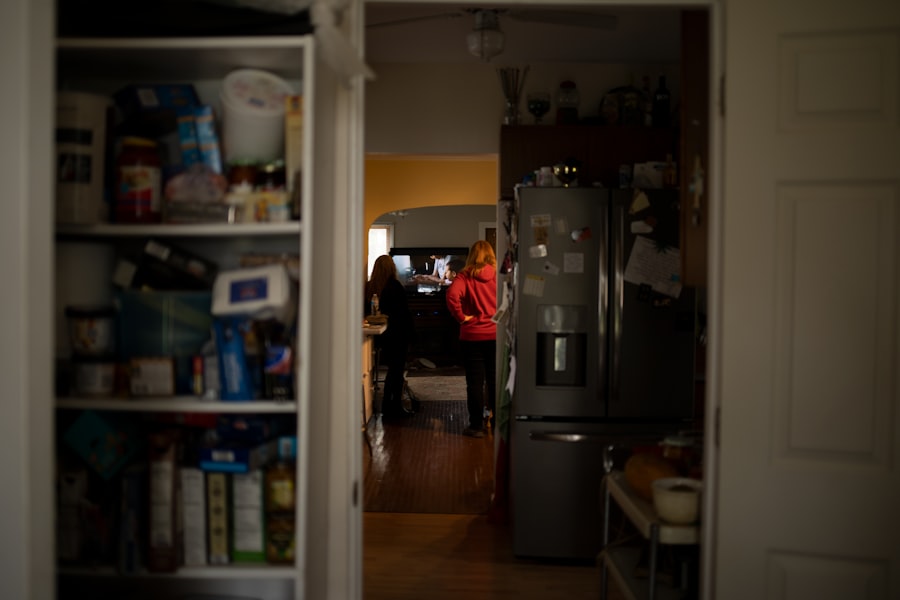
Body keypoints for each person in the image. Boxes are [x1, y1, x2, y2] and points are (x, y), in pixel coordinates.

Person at [445, 240, 497, 438]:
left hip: (472, 336)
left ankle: (476, 426)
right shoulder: (498, 275)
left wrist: (461, 317)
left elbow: (451, 296)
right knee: (493, 380)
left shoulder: (466, 276)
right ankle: (496, 421)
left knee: (475, 382)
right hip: (494, 334)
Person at [366, 255, 415, 418]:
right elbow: (404, 314)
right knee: (396, 371)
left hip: (379, 337)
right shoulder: (395, 286)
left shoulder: (369, 287)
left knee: (390, 370)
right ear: (391, 268)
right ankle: (393, 405)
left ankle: (386, 405)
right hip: (397, 335)